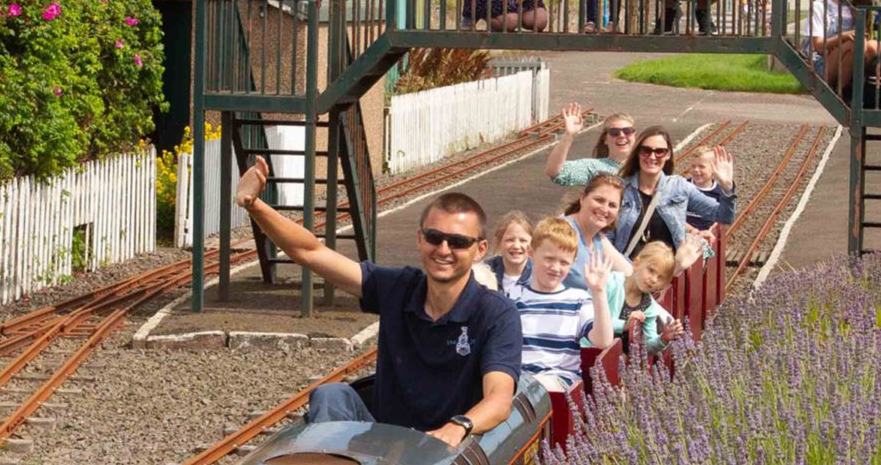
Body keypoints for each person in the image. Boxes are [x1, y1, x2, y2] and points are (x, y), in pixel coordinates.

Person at [234, 159, 520, 448]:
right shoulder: (398, 288)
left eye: (458, 242)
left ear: (480, 249)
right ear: (420, 239)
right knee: (331, 395)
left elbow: (499, 398)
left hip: (444, 449)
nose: (444, 250)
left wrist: (459, 427)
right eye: (435, 237)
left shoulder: (496, 313)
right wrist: (253, 204)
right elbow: (310, 252)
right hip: (382, 444)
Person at [513, 217, 615, 393]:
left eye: (564, 262)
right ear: (531, 252)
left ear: (573, 262)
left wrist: (599, 292)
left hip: (559, 383)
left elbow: (603, 340)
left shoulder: (578, 300)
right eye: (549, 259)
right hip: (520, 383)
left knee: (532, 387)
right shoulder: (515, 300)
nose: (555, 267)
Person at [613, 128, 737, 255]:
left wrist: (727, 187)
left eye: (660, 151)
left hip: (669, 271)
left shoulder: (679, 187)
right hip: (628, 269)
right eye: (646, 150)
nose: (652, 156)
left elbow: (724, 216)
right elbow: (606, 232)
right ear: (638, 153)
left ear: (668, 155)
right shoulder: (619, 188)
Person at [807, 0, 880, 98]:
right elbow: (818, 45)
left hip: (847, 62)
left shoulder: (854, 9)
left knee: (873, 45)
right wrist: (844, 36)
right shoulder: (820, 6)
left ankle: (857, 88)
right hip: (823, 63)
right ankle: (842, 92)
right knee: (853, 43)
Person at [560, 171, 633, 291]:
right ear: (583, 199)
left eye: (612, 205)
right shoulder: (562, 232)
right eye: (599, 200)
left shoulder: (598, 239)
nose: (605, 209)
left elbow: (631, 275)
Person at [545, 103, 636, 186]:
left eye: (627, 131)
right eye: (614, 132)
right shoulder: (594, 168)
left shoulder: (645, 163)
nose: (622, 135)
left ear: (634, 136)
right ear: (605, 140)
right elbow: (556, 172)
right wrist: (569, 135)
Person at [621, 240, 684, 354]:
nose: (654, 279)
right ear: (636, 263)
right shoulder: (612, 283)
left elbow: (647, 347)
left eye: (660, 278)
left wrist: (663, 338)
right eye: (651, 270)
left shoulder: (648, 306)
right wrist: (624, 325)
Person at [479, 210, 533, 295]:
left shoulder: (540, 276)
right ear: (499, 243)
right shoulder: (483, 273)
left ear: (532, 244)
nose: (516, 246)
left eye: (523, 240)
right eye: (510, 240)